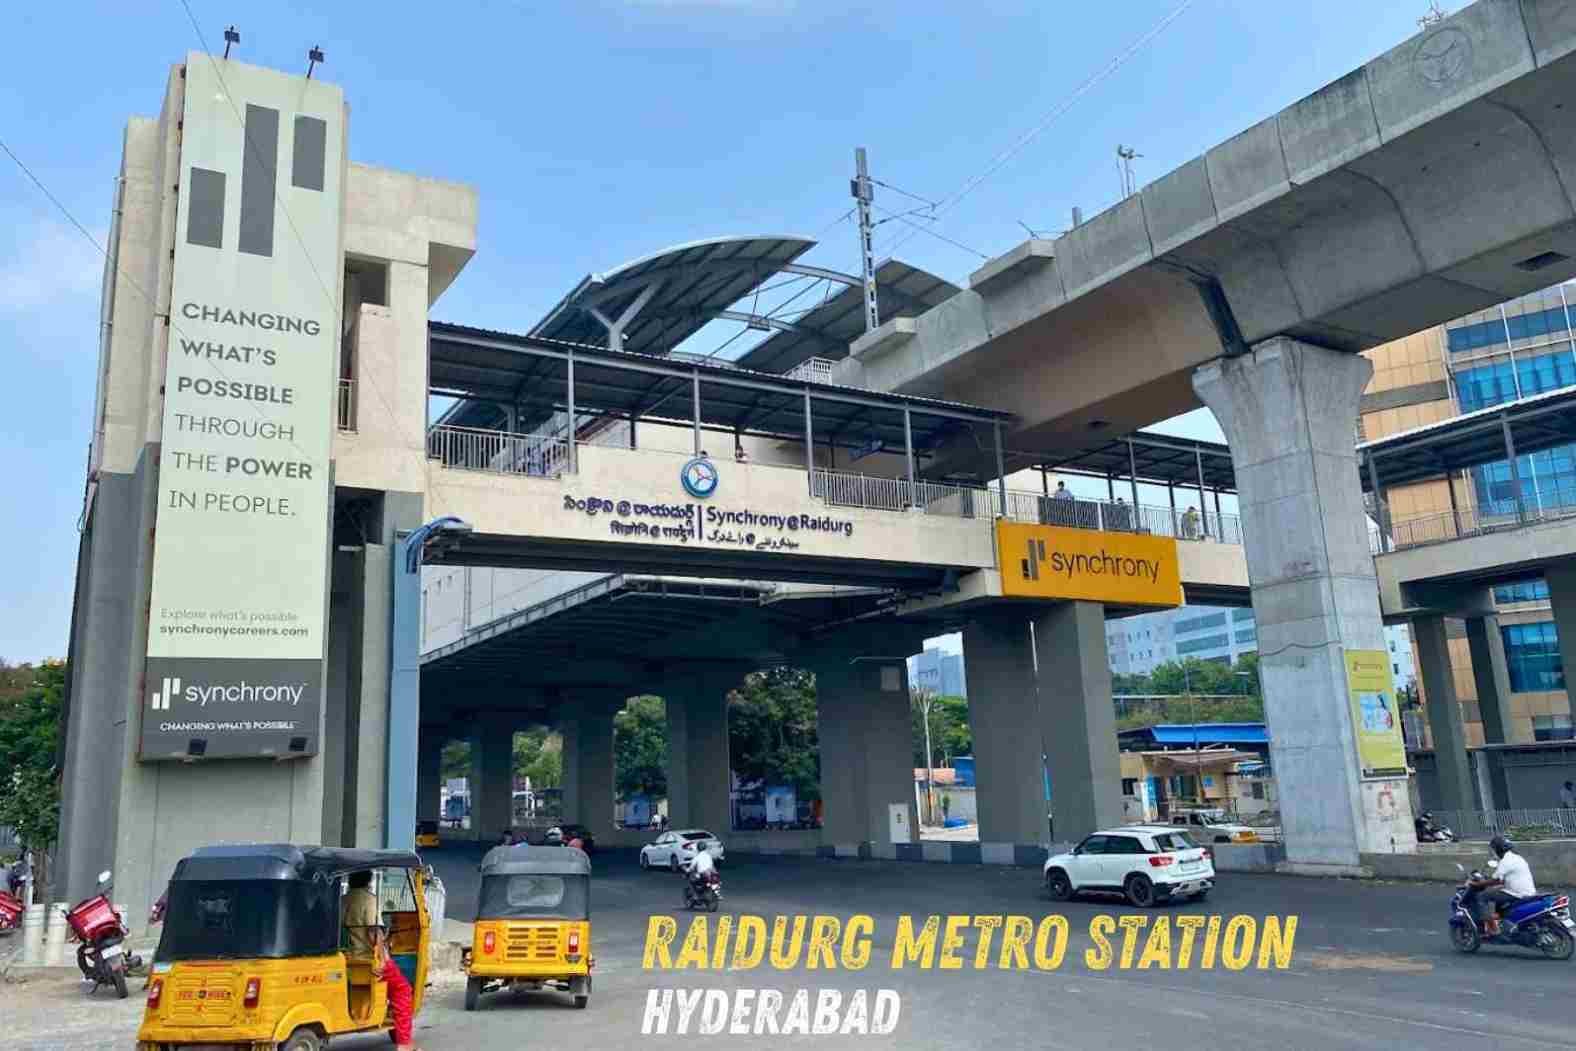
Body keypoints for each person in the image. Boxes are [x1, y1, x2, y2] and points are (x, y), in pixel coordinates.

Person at [343, 871, 418, 1050]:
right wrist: (383, 959)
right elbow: (372, 931)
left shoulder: (343, 900)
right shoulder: (369, 900)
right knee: (403, 990)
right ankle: (404, 1044)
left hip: (348, 958)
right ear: (369, 881)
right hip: (368, 959)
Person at [1467, 835, 1537, 936]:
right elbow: (1501, 881)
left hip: (1517, 893)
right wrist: (1493, 884)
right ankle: (1499, 917)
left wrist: (1476, 884)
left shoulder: (1505, 861)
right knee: (1497, 890)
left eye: (1494, 849)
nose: (1493, 852)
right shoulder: (1517, 857)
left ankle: (1493, 929)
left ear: (1499, 849)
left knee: (1482, 896)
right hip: (1528, 891)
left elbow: (1495, 880)